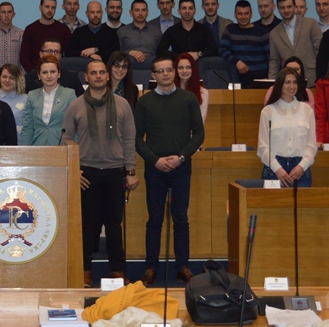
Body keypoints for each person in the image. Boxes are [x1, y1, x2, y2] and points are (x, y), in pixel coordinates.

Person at [64, 59, 138, 287]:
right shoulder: (75, 105)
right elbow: (66, 139)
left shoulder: (122, 104)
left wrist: (130, 170)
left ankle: (117, 271)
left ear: (107, 76)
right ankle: (85, 272)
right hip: (87, 174)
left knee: (114, 226)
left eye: (102, 72)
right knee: (88, 225)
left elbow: (129, 139)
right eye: (93, 73)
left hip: (115, 172)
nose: (98, 76)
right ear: (86, 77)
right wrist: (74, 170)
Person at [135, 55, 204, 285]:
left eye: (169, 70)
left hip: (181, 167)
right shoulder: (145, 101)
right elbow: (136, 137)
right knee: (154, 219)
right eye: (160, 71)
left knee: (181, 218)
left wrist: (181, 157)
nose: (165, 74)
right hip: (155, 169)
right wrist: (154, 160)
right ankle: (151, 267)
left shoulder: (188, 99)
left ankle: (182, 266)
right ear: (153, 75)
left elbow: (199, 133)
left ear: (174, 72)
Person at [256, 67, 318, 187]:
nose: (292, 86)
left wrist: (302, 166)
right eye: (287, 82)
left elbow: (311, 144)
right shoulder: (267, 111)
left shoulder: (306, 110)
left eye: (295, 82)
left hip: (301, 168)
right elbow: (263, 146)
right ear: (280, 84)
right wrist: (277, 169)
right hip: (274, 168)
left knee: (302, 200)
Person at [267, 0, 322, 87]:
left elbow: (320, 51)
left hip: (312, 78)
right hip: (288, 84)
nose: (286, 10)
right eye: (282, 8)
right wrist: (272, 83)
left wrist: (323, 77)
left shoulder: (311, 24)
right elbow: (274, 61)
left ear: (294, 6)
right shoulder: (274, 33)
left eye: (289, 7)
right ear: (278, 9)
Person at [20, 56, 78, 146]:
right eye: (45, 72)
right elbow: (28, 127)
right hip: (38, 145)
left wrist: (75, 148)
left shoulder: (69, 94)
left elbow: (75, 125)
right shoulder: (32, 95)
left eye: (53, 72)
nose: (49, 76)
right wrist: (23, 150)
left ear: (59, 74)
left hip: (62, 146)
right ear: (39, 75)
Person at [219, 0, 270, 89]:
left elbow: (270, 58)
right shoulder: (230, 30)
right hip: (238, 80)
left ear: (251, 14)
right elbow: (222, 50)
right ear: (235, 15)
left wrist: (269, 79)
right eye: (240, 14)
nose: (243, 17)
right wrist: (236, 61)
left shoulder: (262, 33)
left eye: (246, 13)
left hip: (260, 80)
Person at [20, 0, 72, 72]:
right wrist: (34, 74)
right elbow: (24, 58)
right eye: (47, 7)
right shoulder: (30, 29)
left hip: (57, 73)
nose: (50, 10)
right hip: (35, 72)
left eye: (53, 7)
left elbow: (69, 56)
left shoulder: (63, 29)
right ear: (40, 7)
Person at [117, 0, 162, 67]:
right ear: (131, 12)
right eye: (137, 10)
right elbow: (116, 53)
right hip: (127, 69)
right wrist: (129, 52)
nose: (140, 13)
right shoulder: (122, 31)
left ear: (147, 12)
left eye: (143, 10)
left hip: (152, 69)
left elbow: (161, 53)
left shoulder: (156, 31)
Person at [0, 63, 28, 136]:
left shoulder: (26, 99)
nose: (7, 80)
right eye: (4, 77)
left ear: (17, 80)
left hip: (20, 141)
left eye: (12, 78)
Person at [0, 1, 24, 69]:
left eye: (9, 12)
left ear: (13, 14)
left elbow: (24, 57)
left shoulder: (21, 34)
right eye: (3, 12)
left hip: (15, 74)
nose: (6, 15)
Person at [176, 53, 209, 122]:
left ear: (193, 69)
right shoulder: (169, 90)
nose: (184, 71)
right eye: (181, 68)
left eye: (188, 67)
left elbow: (200, 120)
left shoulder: (203, 92)